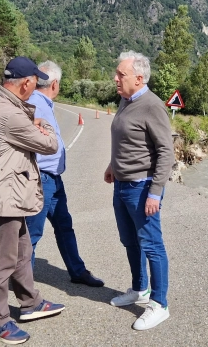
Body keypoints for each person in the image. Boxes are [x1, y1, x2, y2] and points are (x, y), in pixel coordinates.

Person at [0, 56, 65, 344]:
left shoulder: (1, 101)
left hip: (10, 192)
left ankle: (30, 302)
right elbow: (50, 145)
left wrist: (32, 120)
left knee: (22, 251)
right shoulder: (7, 112)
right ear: (26, 83)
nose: (36, 86)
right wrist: (44, 127)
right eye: (35, 82)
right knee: (1, 261)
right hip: (3, 195)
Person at [104, 51, 175, 331]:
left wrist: (155, 192)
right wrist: (113, 164)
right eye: (117, 73)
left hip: (142, 187)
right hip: (121, 184)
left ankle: (160, 304)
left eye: (120, 74)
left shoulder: (152, 105)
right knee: (129, 241)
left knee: (151, 245)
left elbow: (166, 152)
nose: (116, 78)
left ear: (139, 77)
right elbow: (126, 137)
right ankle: (139, 289)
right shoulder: (125, 100)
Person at [25, 61, 104, 287]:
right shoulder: (35, 104)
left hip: (53, 179)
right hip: (41, 178)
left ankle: (77, 271)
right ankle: (26, 287)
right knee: (32, 234)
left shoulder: (42, 103)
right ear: (55, 84)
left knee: (63, 226)